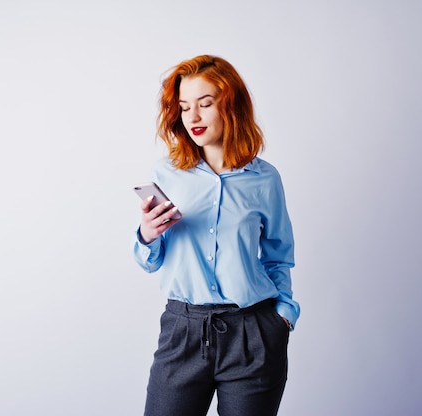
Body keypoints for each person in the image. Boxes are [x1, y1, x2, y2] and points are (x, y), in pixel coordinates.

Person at [132, 54, 300, 416]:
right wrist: (147, 234)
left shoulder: (265, 179)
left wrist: (282, 317)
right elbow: (150, 260)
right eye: (184, 106)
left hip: (252, 334)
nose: (192, 117)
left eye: (205, 104)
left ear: (232, 106)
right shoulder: (168, 173)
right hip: (183, 331)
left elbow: (278, 255)